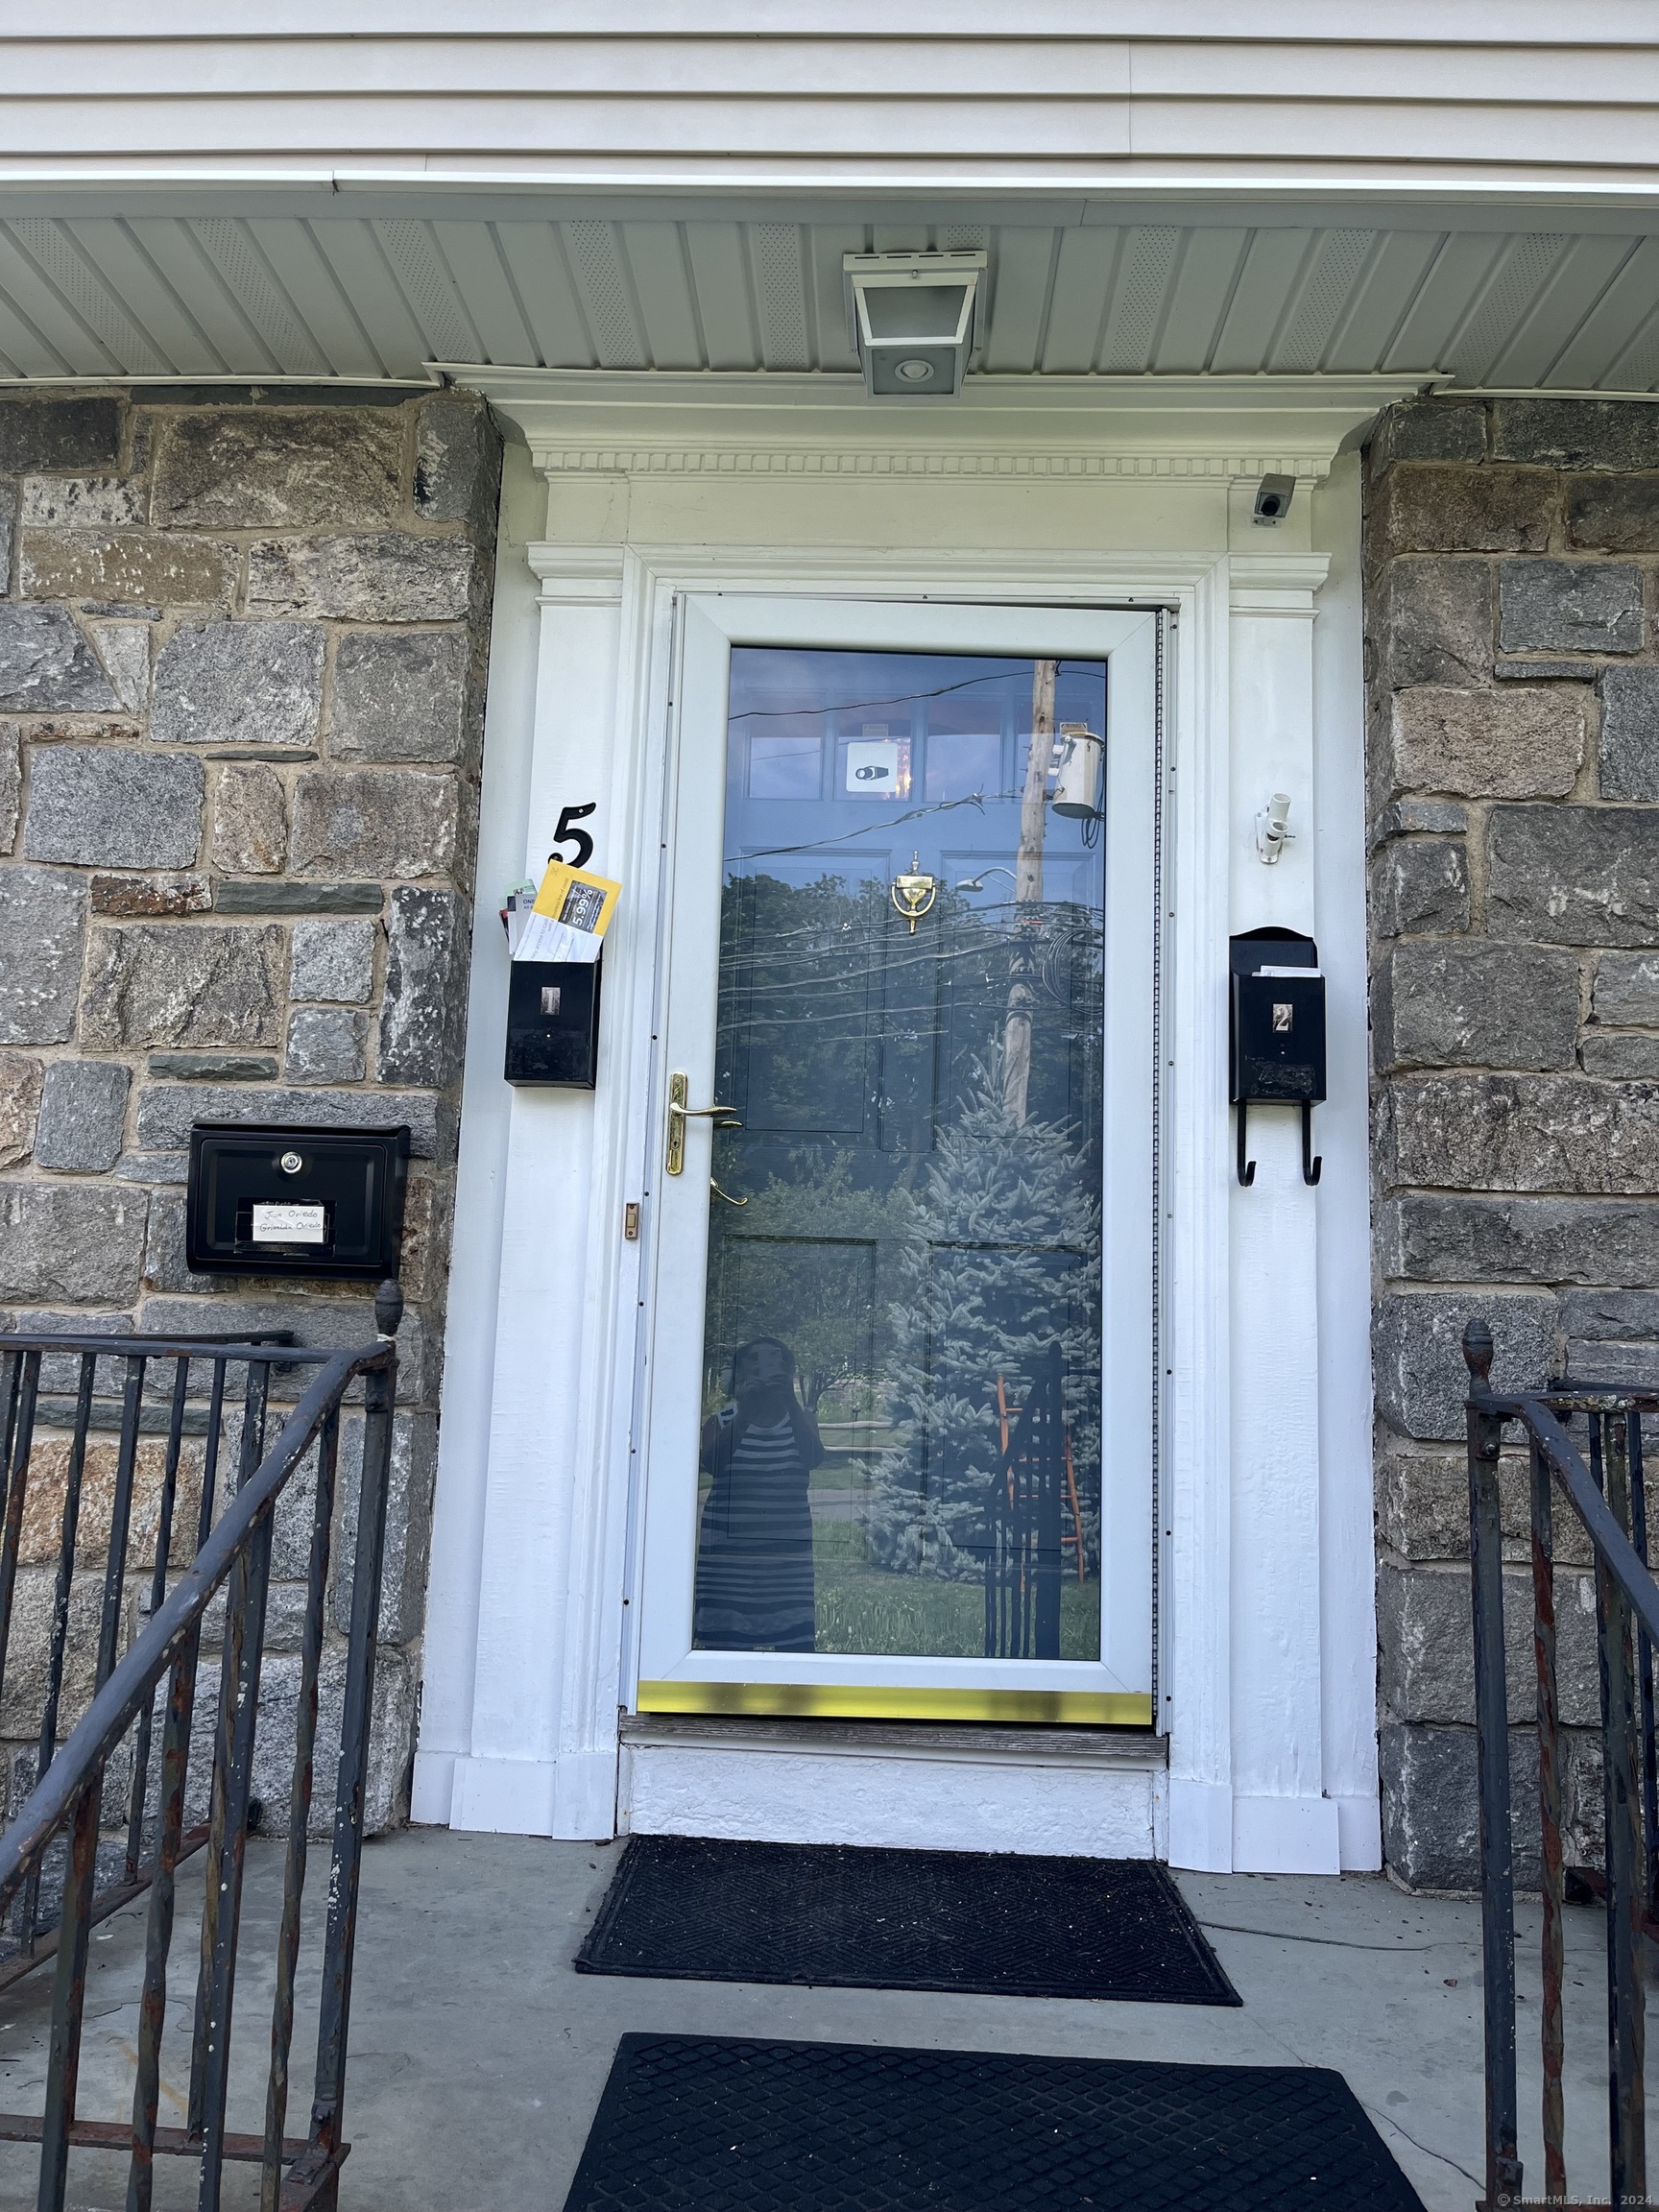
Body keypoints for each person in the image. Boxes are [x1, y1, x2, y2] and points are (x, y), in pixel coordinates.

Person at [693, 1336, 824, 1652]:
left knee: (794, 1651)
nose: (764, 1366)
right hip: (728, 1565)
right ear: (739, 1377)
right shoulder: (721, 1422)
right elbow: (713, 1463)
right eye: (755, 1361)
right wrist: (748, 1410)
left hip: (786, 1564)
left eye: (776, 1360)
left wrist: (789, 1400)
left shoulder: (801, 1420)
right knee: (722, 1653)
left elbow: (813, 1459)